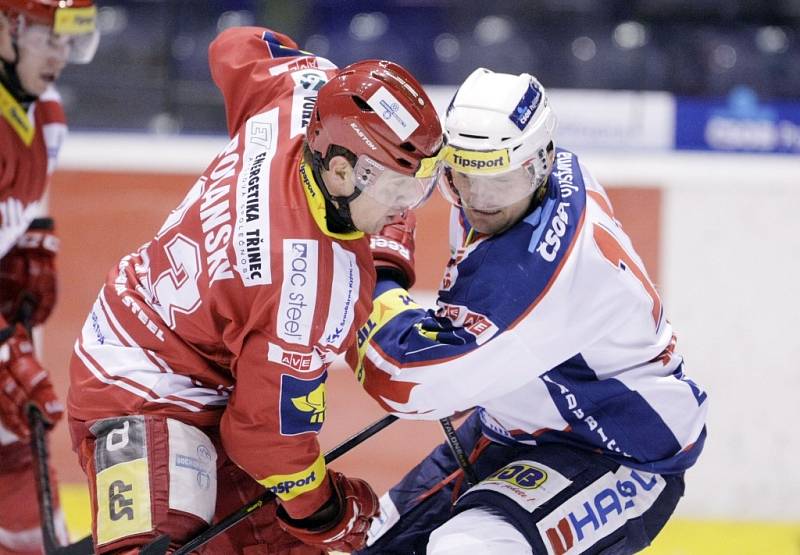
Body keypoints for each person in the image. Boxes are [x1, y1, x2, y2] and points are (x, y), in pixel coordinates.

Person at [66, 25, 443, 554]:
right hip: (136, 391)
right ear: (339, 171)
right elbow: (267, 441)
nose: (407, 208)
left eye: (420, 186)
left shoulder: (305, 96)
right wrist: (326, 511)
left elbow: (235, 45)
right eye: (397, 188)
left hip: (193, 358)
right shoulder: (312, 289)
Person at [351, 68, 709, 554]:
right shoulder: (535, 176)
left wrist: (380, 274)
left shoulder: (538, 273)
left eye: (496, 181)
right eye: (462, 176)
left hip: (619, 454)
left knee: (468, 549)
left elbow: (405, 382)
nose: (478, 201)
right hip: (513, 428)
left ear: (540, 163)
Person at [0, 1, 99, 553]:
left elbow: (30, 197)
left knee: (14, 440)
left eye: (69, 41)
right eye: (48, 39)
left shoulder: (45, 112)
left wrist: (30, 244)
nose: (61, 55)